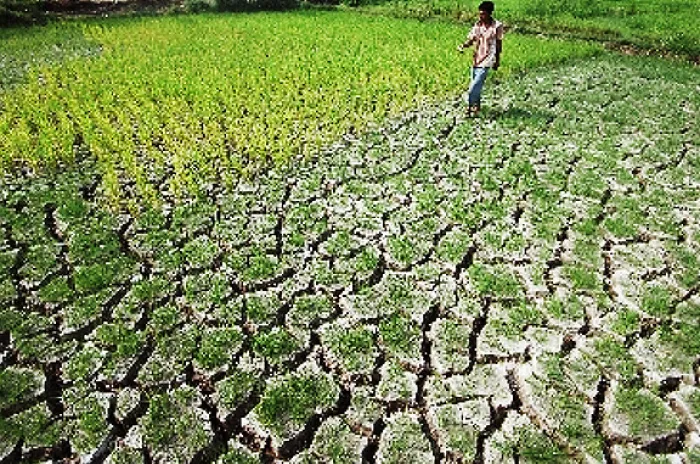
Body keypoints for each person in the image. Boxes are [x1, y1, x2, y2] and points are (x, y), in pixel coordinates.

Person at [458, 1, 504, 117]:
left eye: (483, 14)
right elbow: (471, 39)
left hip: (488, 59)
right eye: (480, 14)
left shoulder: (497, 26)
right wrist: (463, 45)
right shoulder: (478, 25)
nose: (481, 16)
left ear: (489, 13)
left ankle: (469, 107)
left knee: (473, 88)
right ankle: (476, 108)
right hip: (476, 58)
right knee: (476, 86)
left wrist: (497, 60)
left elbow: (498, 44)